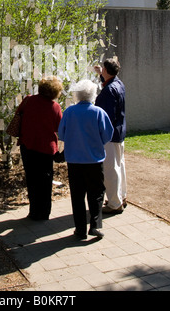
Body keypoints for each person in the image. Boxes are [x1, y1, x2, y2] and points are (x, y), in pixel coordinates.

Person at [58, 79, 113, 240]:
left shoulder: (69, 112)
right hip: (94, 160)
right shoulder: (98, 112)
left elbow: (61, 134)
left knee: (77, 195)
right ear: (93, 94)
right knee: (96, 194)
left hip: (74, 160)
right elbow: (107, 134)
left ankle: (80, 229)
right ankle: (95, 225)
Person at [17, 76, 63, 221]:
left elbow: (18, 114)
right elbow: (59, 127)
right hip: (45, 149)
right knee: (45, 181)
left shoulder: (28, 100)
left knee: (31, 179)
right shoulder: (55, 107)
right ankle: (44, 213)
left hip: (27, 145)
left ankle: (33, 211)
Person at [94, 58, 127, 214]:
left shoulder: (108, 91)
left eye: (104, 70)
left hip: (110, 135)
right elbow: (109, 83)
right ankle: (121, 197)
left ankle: (114, 203)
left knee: (110, 169)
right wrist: (102, 74)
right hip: (119, 132)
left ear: (107, 70)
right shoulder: (118, 83)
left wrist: (100, 135)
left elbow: (105, 117)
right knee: (119, 165)